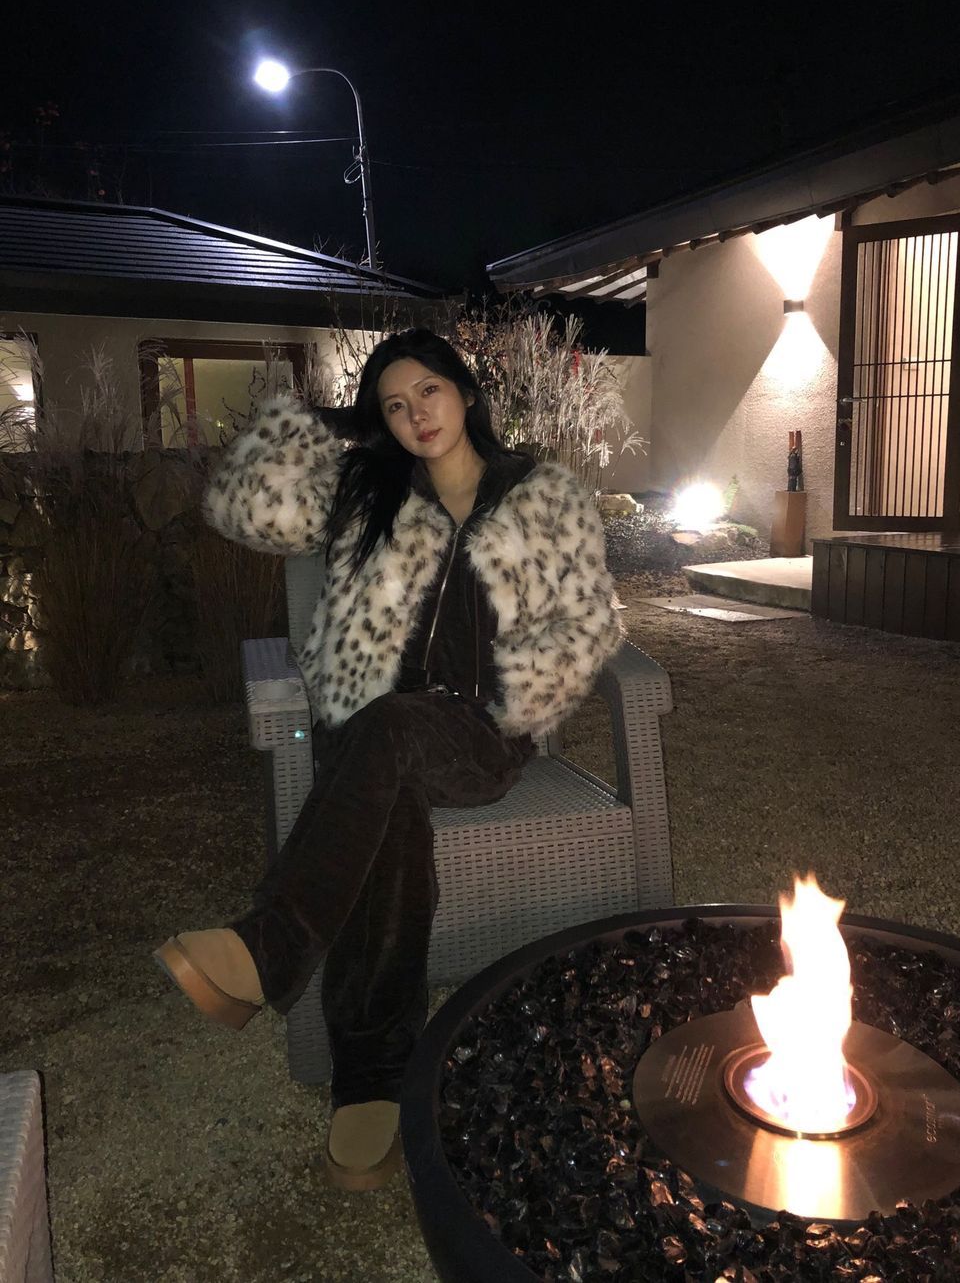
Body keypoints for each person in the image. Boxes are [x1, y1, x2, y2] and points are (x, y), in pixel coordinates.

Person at [153, 328, 624, 1192]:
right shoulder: (368, 490)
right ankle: (370, 1077)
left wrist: (519, 698)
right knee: (388, 787)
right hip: (371, 725)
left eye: (429, 392)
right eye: (395, 405)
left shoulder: (540, 493)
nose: (416, 416)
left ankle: (271, 949)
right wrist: (336, 423)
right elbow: (240, 504)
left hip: (478, 731)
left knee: (395, 737)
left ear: (466, 392)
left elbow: (587, 621)